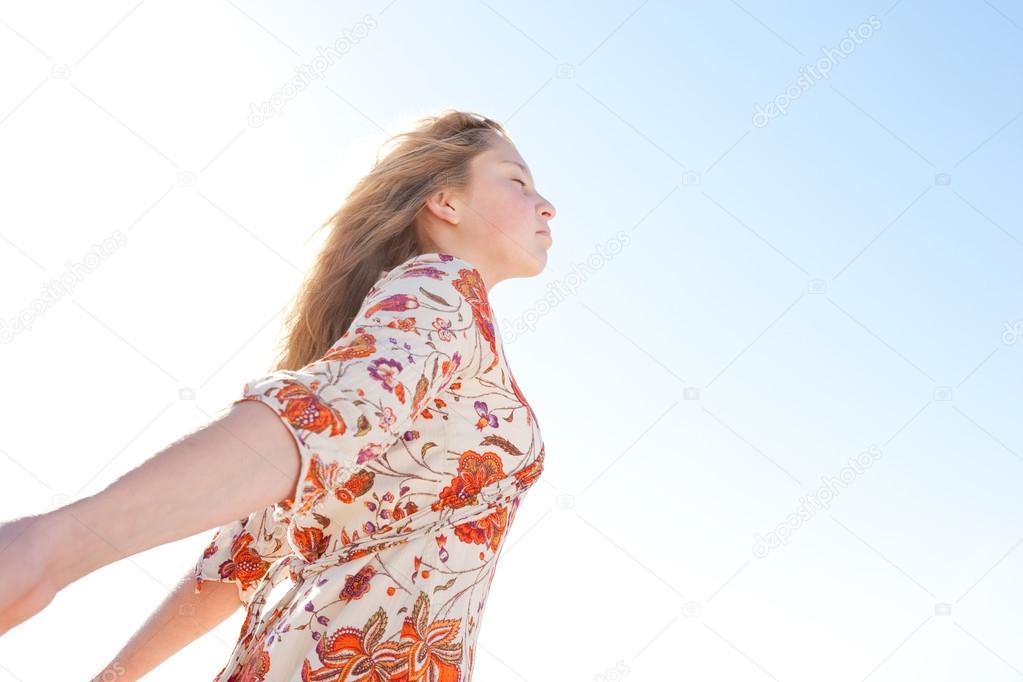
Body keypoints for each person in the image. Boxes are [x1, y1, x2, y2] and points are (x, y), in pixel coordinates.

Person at [0, 109, 556, 680]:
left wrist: (110, 679)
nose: (546, 205)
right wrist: (50, 550)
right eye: (517, 181)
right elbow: (333, 414)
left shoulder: (438, 328)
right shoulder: (444, 290)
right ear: (447, 202)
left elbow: (241, 557)